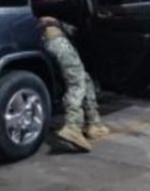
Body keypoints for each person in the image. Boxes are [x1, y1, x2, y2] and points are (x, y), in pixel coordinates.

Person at [39, 16, 110, 152]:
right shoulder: (53, 9)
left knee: (84, 79)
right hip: (57, 41)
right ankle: (73, 127)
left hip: (54, 41)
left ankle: (94, 124)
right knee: (76, 83)